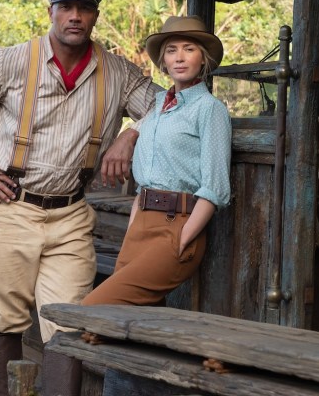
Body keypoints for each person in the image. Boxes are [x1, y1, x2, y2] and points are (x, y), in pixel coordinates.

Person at [0, 0, 161, 396]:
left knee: (68, 321)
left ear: (95, 15)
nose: (75, 16)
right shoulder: (12, 61)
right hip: (11, 206)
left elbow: (169, 106)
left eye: (85, 9)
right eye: (66, 7)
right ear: (51, 12)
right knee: (4, 319)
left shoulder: (118, 73)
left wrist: (130, 135)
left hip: (72, 214)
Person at [82, 15, 231, 308]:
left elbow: (215, 187)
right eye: (172, 50)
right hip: (140, 224)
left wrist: (183, 237)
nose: (179, 57)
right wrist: (134, 226)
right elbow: (144, 178)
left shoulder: (210, 110)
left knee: (94, 309)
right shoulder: (158, 108)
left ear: (203, 58)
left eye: (189, 49)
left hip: (178, 226)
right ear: (163, 60)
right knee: (135, 322)